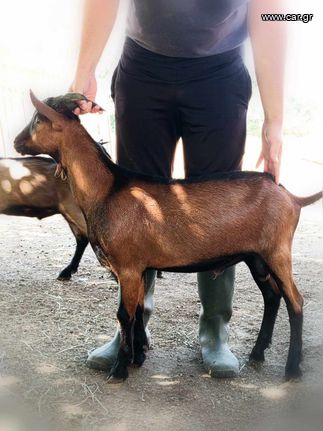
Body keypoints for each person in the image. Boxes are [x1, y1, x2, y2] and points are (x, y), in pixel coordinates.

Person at [70, 0, 286, 378]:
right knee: (133, 208)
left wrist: (275, 121)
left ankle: (216, 328)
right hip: (144, 72)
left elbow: (271, 16)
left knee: (219, 209)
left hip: (219, 77)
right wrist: (84, 71)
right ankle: (131, 328)